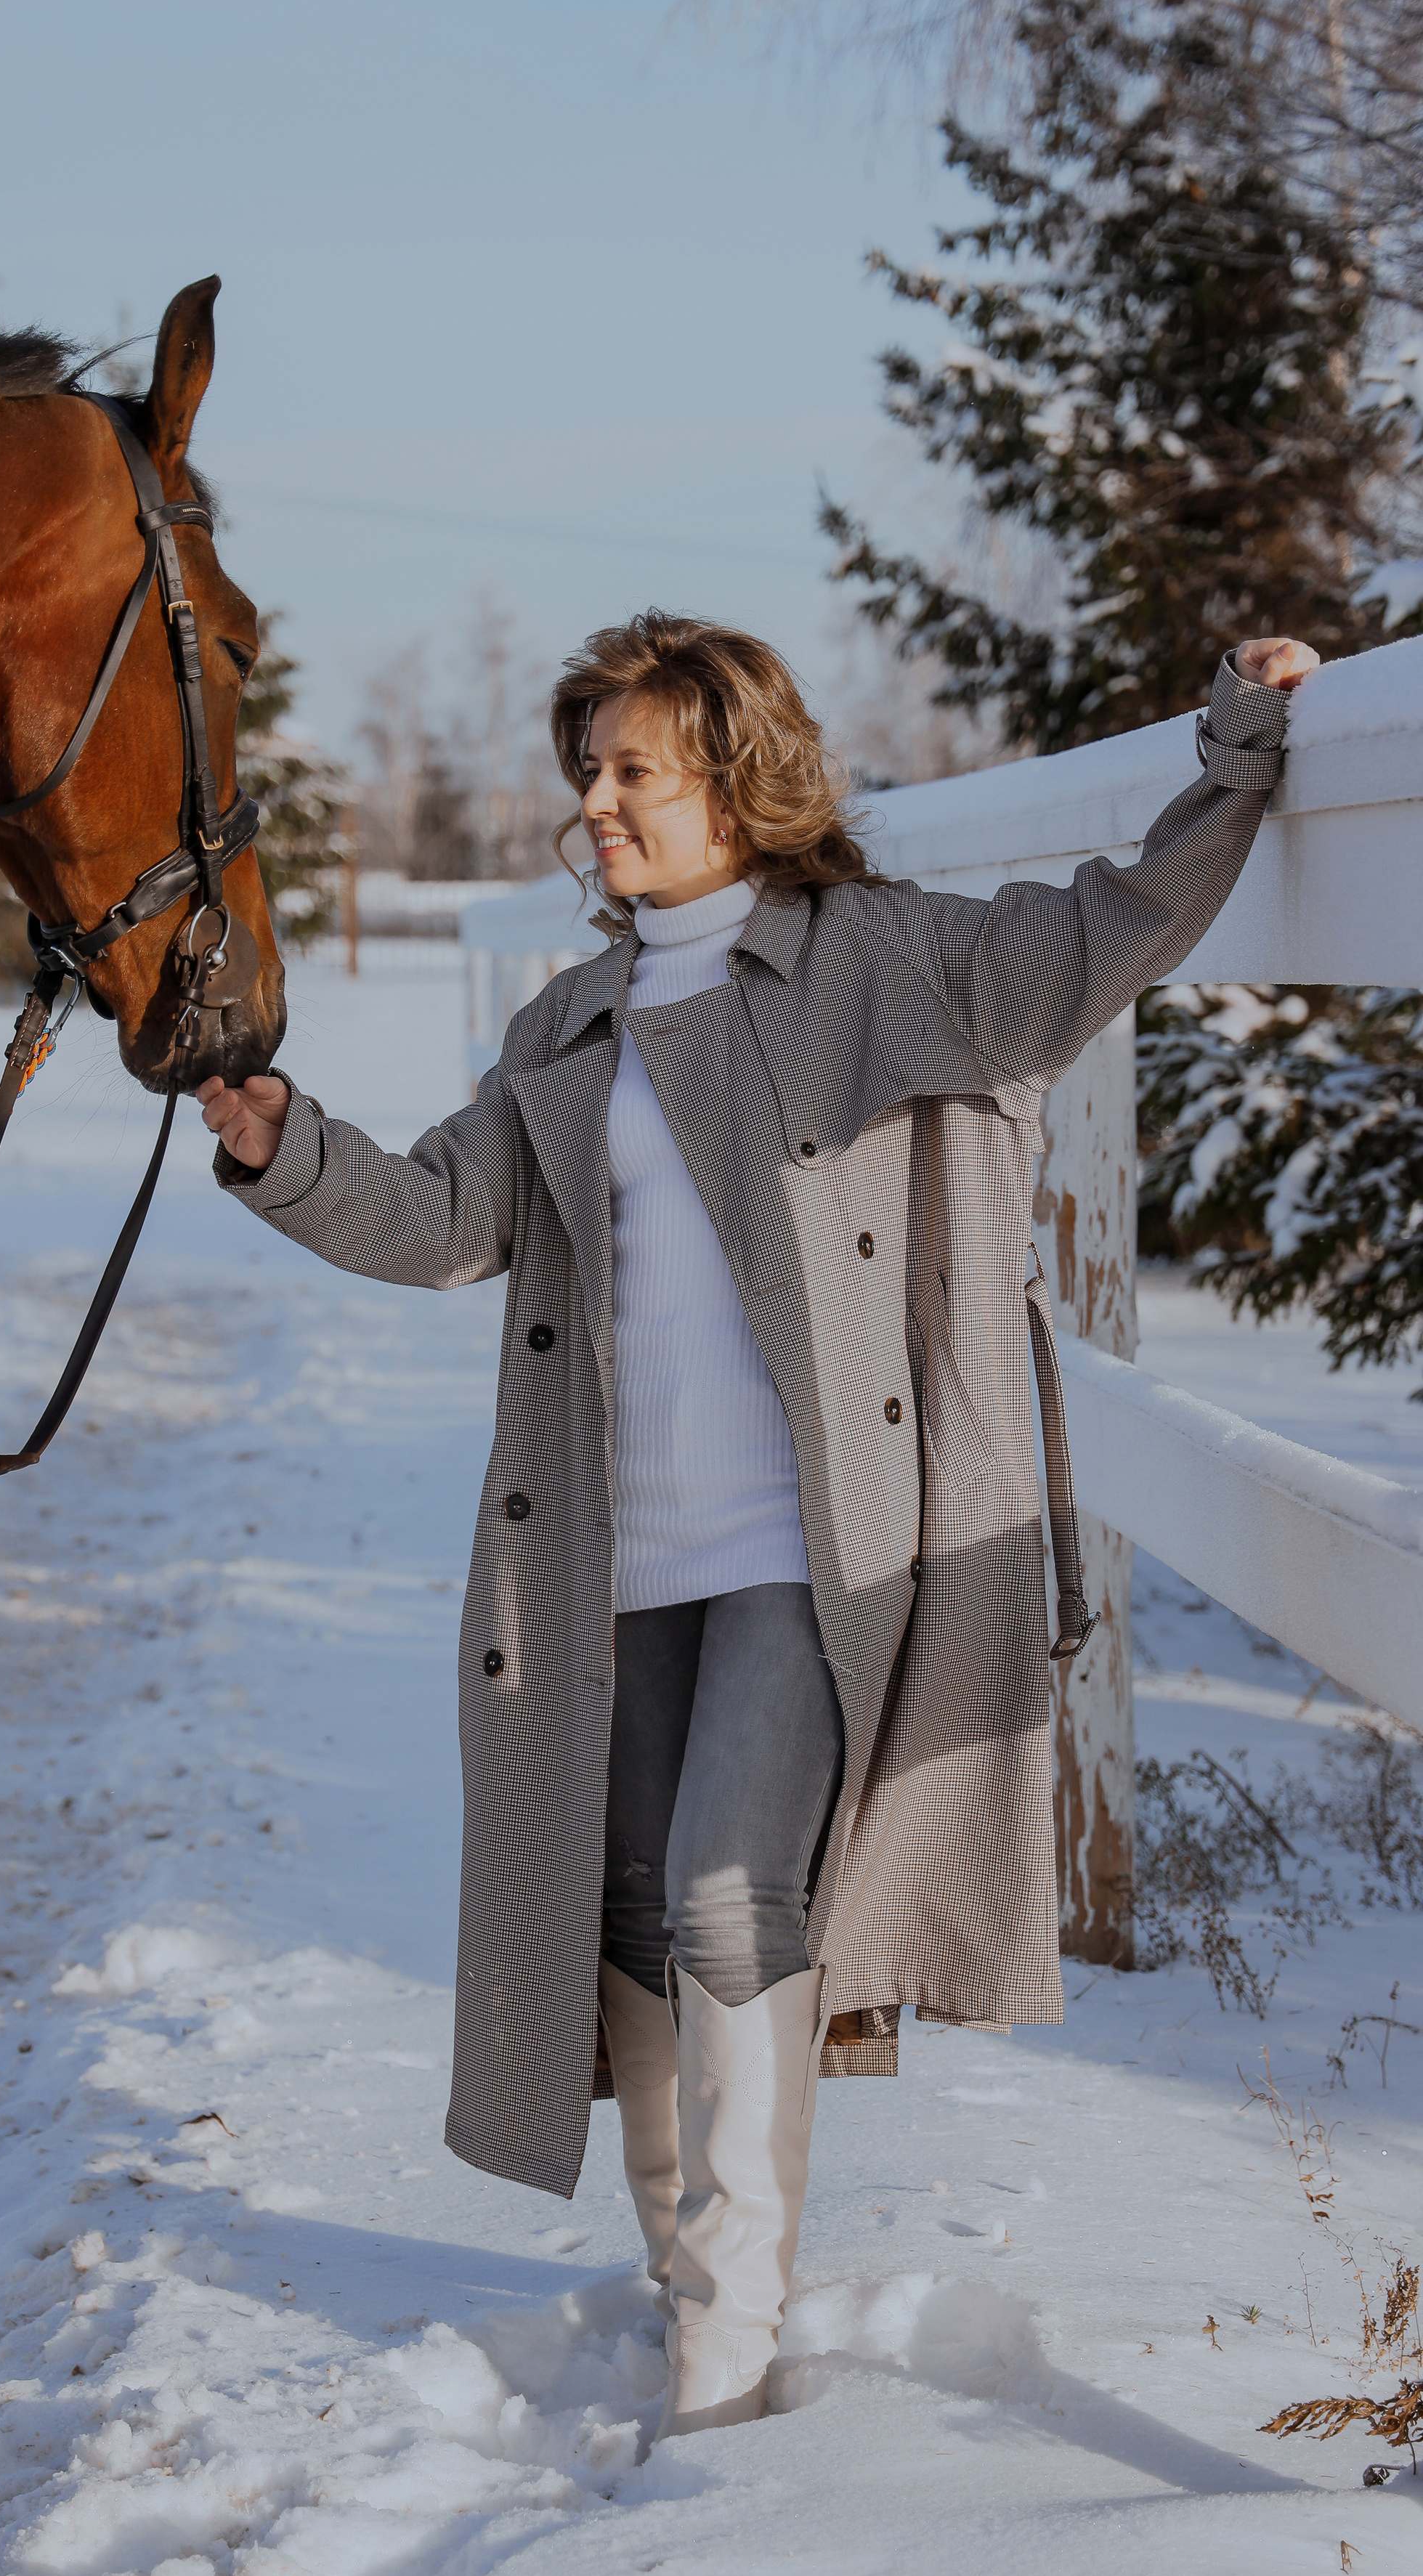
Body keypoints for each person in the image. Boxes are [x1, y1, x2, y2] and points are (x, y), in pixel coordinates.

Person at [199, 612, 1315, 2439]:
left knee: (731, 1893)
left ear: (737, 779)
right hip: (612, 1550)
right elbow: (441, 1219)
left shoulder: (880, 961)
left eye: (631, 767)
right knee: (636, 1912)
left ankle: (725, 2349)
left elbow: (1107, 929)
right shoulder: (569, 1021)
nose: (597, 800)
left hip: (812, 1549)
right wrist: (282, 1149)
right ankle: (679, 2295)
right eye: (590, 769)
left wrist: (1237, 747)